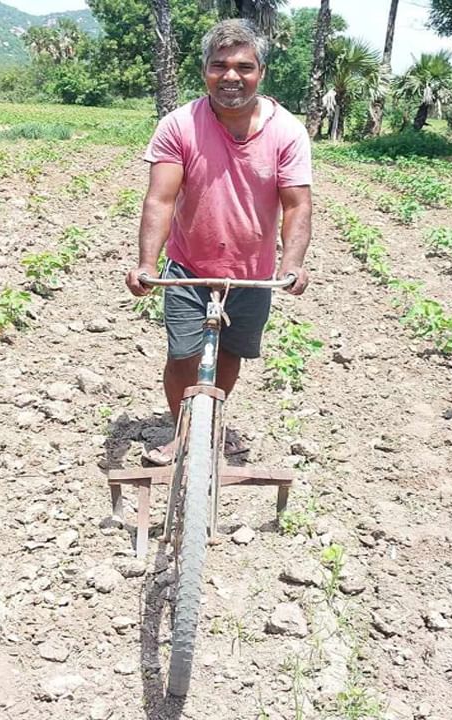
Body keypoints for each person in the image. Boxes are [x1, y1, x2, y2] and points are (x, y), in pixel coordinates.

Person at [124, 19, 312, 465]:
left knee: (231, 354)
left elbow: (297, 206)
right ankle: (183, 429)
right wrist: (147, 263)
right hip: (190, 267)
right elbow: (160, 199)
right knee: (183, 355)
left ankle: (213, 422)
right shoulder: (180, 125)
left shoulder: (287, 132)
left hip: (252, 274)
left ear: (260, 71)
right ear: (205, 70)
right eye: (219, 65)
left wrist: (295, 263)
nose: (231, 76)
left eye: (243, 67)